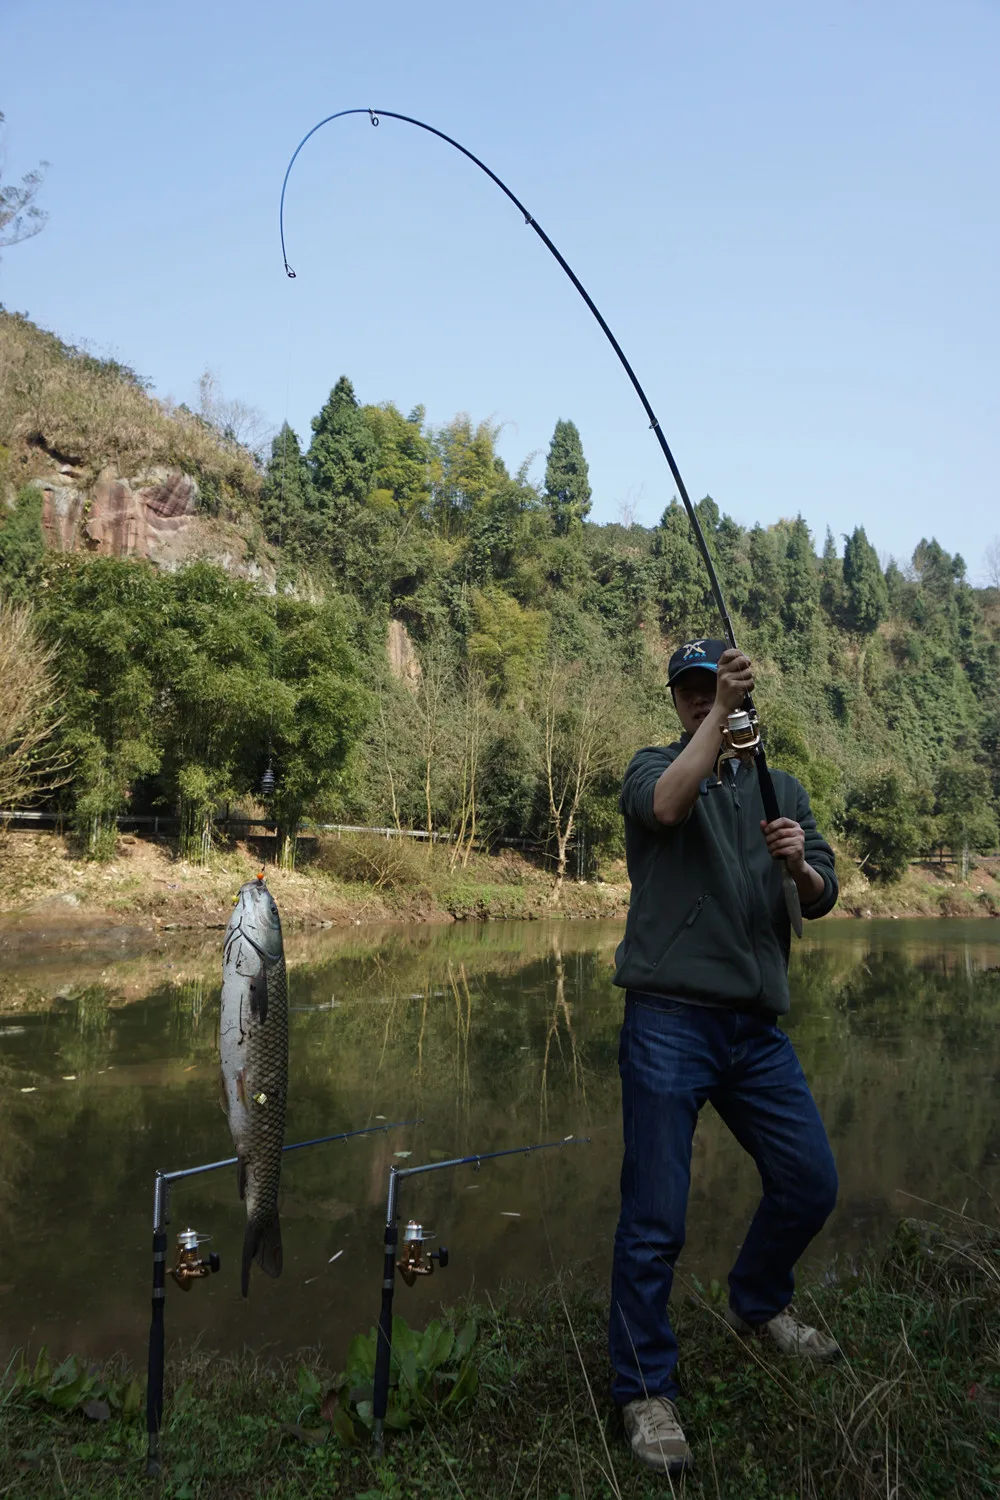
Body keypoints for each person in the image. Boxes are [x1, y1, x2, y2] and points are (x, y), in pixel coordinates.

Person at [610, 638, 841, 1476]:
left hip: (755, 1028)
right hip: (668, 1017)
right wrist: (717, 724)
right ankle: (644, 1388)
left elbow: (822, 892)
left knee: (811, 1180)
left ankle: (758, 1299)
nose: (703, 703)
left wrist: (799, 869)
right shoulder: (653, 767)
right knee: (655, 1217)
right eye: (691, 694)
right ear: (678, 702)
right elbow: (669, 807)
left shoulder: (783, 788)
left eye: (717, 692)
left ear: (745, 700)